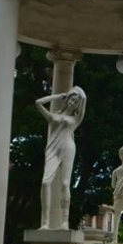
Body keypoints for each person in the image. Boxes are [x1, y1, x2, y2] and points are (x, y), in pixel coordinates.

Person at [36, 86, 87, 229]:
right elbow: (38, 102)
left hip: (68, 148)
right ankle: (45, 222)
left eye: (76, 102)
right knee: (46, 182)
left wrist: (78, 93)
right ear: (68, 99)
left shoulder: (75, 119)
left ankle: (65, 221)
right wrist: (58, 96)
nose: (73, 103)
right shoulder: (54, 116)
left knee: (65, 183)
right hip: (52, 149)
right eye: (72, 99)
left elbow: (84, 98)